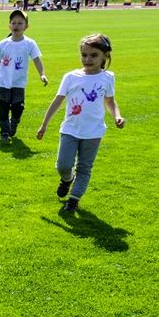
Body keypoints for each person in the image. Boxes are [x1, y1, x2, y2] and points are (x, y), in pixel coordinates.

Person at [36, 33, 125, 213]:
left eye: (93, 55)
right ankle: (67, 179)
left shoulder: (108, 77)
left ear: (105, 56)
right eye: (84, 55)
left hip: (93, 132)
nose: (88, 59)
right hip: (70, 129)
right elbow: (57, 101)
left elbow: (110, 101)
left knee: (84, 167)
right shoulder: (71, 77)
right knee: (63, 165)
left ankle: (74, 200)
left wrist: (117, 115)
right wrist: (44, 124)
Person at [0, 10, 48, 144]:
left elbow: (37, 59)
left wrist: (42, 74)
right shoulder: (3, 44)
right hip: (3, 83)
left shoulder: (29, 43)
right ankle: (4, 133)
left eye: (20, 23)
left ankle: (13, 123)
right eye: (14, 22)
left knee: (18, 108)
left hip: (19, 83)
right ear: (9, 25)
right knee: (3, 110)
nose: (16, 25)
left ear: (26, 26)